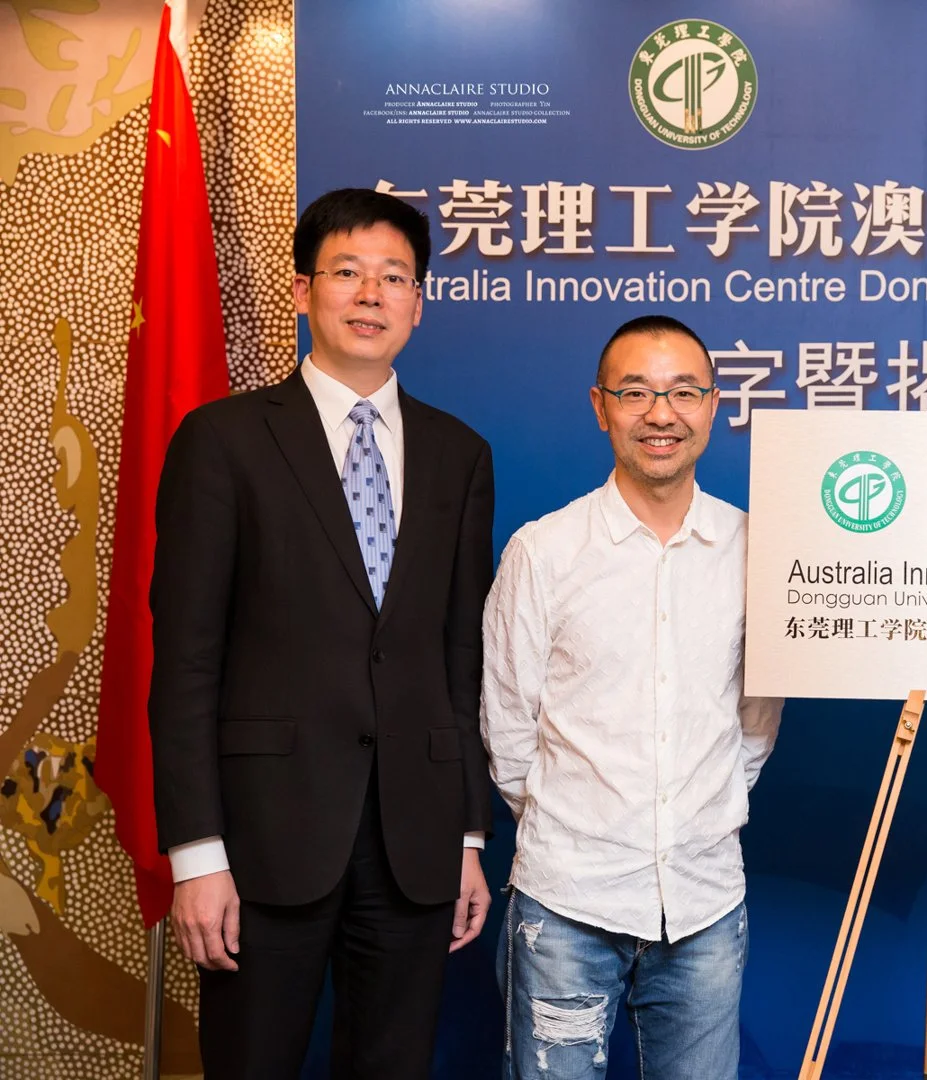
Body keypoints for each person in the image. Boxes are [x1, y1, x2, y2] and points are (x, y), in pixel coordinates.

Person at [149, 187, 495, 1078]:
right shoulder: (222, 441)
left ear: (419, 303)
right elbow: (185, 662)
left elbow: (460, 658)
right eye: (347, 272)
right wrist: (197, 856)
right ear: (304, 292)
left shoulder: (460, 453)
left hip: (414, 848)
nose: (371, 294)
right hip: (263, 846)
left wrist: (465, 837)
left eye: (394, 277)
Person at [482, 314, 782, 1079]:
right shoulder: (543, 552)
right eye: (636, 393)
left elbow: (753, 726)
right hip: (566, 901)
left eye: (684, 392)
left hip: (706, 900)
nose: (661, 414)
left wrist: (695, 813)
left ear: (714, 406)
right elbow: (509, 730)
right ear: (599, 405)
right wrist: (584, 826)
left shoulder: (755, 553)